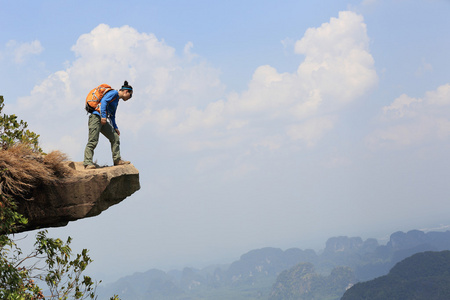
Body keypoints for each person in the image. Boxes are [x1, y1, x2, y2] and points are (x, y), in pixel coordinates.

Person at [83, 81, 133, 169]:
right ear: (126, 92)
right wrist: (103, 116)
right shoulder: (113, 93)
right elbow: (104, 101)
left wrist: (115, 127)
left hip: (103, 120)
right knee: (93, 140)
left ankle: (117, 160)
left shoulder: (116, 100)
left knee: (115, 137)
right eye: (130, 95)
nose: (130, 97)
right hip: (96, 118)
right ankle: (87, 163)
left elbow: (112, 115)